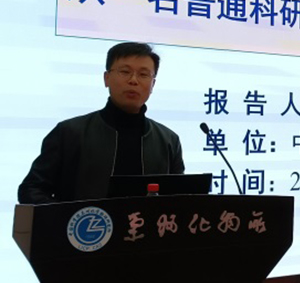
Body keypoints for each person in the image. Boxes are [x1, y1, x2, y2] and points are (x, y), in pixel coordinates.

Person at [18, 42, 184, 204]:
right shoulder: (69, 133)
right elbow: (31, 189)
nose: (133, 80)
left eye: (143, 74)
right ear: (106, 78)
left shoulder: (168, 140)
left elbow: (180, 198)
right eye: (125, 72)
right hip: (85, 223)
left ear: (153, 84)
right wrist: (67, 217)